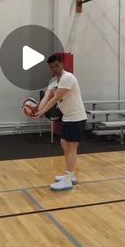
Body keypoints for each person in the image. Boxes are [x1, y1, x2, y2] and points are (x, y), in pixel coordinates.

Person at [34, 54, 87, 191]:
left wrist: (41, 112)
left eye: (57, 65)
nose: (55, 69)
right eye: (52, 67)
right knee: (64, 144)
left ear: (62, 64)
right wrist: (37, 109)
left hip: (77, 117)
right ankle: (71, 175)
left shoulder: (67, 78)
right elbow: (47, 96)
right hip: (68, 117)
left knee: (71, 148)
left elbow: (55, 98)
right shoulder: (54, 81)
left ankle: (68, 180)